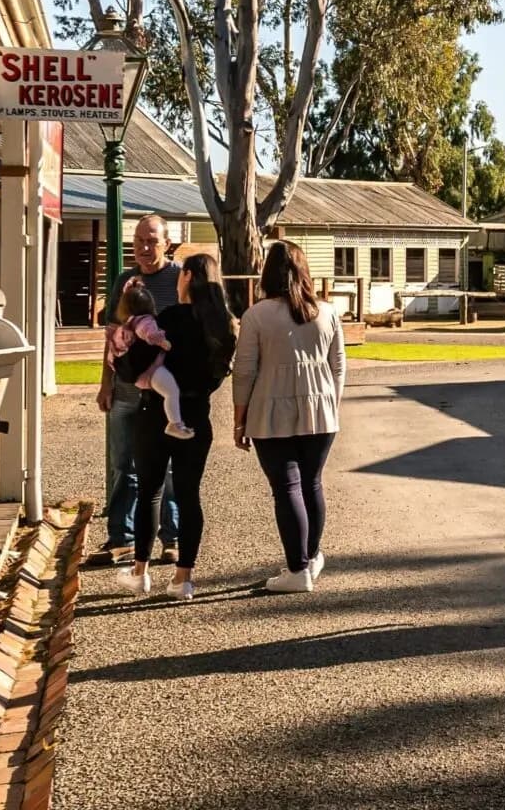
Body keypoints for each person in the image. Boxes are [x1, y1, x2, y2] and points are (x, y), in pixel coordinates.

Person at [232, 240, 345, 594]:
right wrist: (331, 403)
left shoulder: (256, 315)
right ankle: (309, 559)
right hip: (321, 409)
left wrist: (240, 419)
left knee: (287, 488)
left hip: (270, 409)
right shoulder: (327, 313)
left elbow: (244, 372)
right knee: (311, 483)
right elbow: (338, 366)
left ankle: (297, 569)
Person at [125, 251, 238, 600]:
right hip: (196, 414)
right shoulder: (224, 327)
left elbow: (132, 369)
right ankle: (183, 578)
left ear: (187, 276)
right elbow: (219, 375)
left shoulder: (168, 319)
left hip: (155, 413)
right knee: (190, 496)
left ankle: (140, 571)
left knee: (150, 491)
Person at [98, 214, 186, 561]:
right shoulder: (124, 279)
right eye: (138, 241)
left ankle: (173, 538)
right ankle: (121, 538)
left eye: (152, 241)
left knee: (167, 465)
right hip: (126, 387)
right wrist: (105, 384)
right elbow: (111, 338)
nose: (145, 248)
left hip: (163, 389)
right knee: (123, 464)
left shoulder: (180, 279)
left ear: (166, 243)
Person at [109, 281, 194, 441]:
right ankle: (175, 423)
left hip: (138, 375)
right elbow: (150, 335)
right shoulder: (145, 321)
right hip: (153, 370)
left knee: (167, 392)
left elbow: (114, 353)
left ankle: (175, 423)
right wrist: (164, 343)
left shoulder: (124, 326)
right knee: (172, 391)